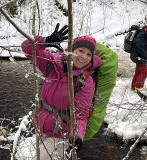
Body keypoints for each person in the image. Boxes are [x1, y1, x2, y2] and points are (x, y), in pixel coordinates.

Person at [21, 23, 102, 159]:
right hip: (42, 127)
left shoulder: (85, 82)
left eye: (89, 54)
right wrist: (45, 41)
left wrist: (76, 137)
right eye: (81, 51)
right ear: (71, 50)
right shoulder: (52, 63)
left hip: (61, 134)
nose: (83, 57)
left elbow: (80, 116)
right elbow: (27, 48)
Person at [130, 25, 147, 92]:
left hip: (138, 55)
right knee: (144, 70)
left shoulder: (143, 34)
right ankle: (138, 87)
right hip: (138, 55)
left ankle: (134, 87)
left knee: (139, 70)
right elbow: (139, 46)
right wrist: (146, 55)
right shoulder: (142, 34)